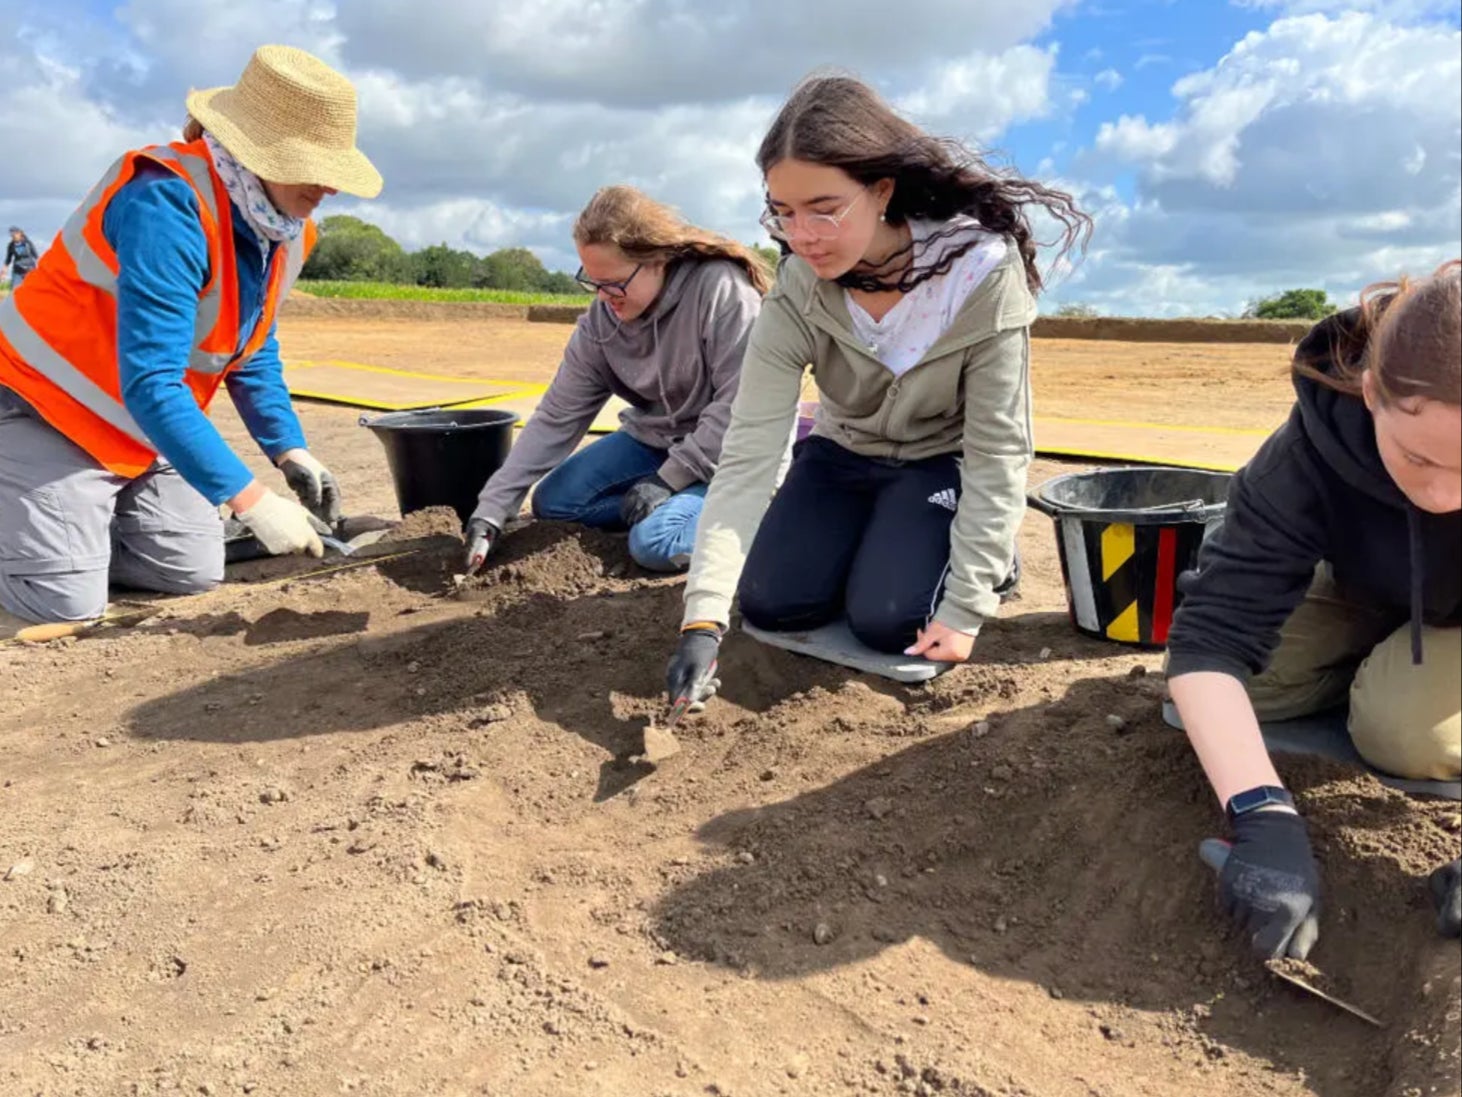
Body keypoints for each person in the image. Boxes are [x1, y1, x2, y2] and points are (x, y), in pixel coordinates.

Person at [661, 74, 1089, 705]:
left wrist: (967, 605)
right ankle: (881, 542)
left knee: (890, 620)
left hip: (937, 463)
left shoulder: (982, 275)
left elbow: (1001, 452)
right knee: (772, 603)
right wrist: (702, 619)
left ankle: (984, 559)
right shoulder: (798, 288)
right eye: (782, 213)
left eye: (825, 209)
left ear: (881, 190)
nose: (801, 236)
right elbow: (750, 450)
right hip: (842, 454)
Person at [0, 45, 381, 625]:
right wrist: (250, 500)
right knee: (61, 606)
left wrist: (288, 449)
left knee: (191, 570)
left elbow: (250, 351)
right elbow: (152, 382)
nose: (329, 187)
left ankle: (56, 537)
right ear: (259, 150)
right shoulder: (166, 203)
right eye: (316, 166)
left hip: (134, 432)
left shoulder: (286, 232)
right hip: (44, 409)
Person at [1166, 261, 1462, 958]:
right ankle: (1384, 653)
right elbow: (1210, 635)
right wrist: (1261, 813)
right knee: (1240, 690)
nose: (1446, 495)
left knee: (1407, 735)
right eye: (1418, 459)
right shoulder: (1310, 447)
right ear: (1370, 394)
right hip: (1368, 583)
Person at [463, 185, 768, 574]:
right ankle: (685, 507)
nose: (604, 297)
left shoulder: (720, 291)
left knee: (657, 543)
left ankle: (748, 512)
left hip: (734, 452)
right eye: (593, 283)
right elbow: (557, 416)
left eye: (615, 283)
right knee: (556, 503)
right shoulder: (602, 323)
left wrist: (668, 480)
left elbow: (742, 407)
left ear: (657, 259)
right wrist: (492, 510)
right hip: (658, 443)